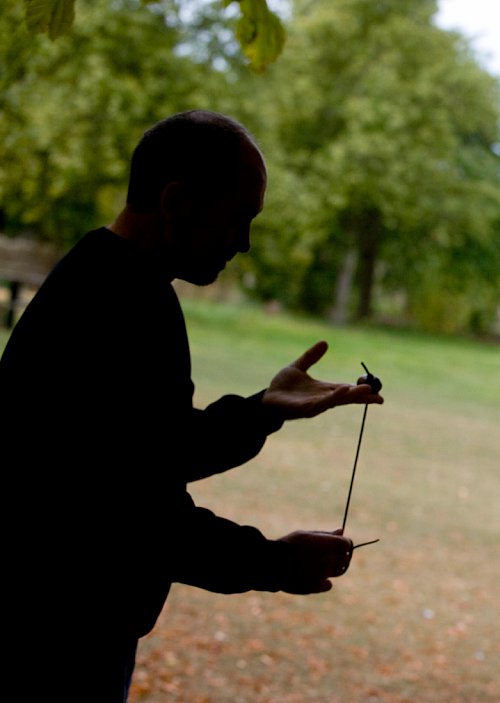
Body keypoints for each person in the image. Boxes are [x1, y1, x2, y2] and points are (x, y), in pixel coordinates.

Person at [0, 110, 384, 701]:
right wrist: (277, 562)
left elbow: (150, 453)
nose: (244, 242)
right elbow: (135, 517)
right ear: (177, 201)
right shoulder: (118, 305)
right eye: (238, 218)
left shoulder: (115, 281)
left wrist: (263, 408)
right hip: (51, 635)